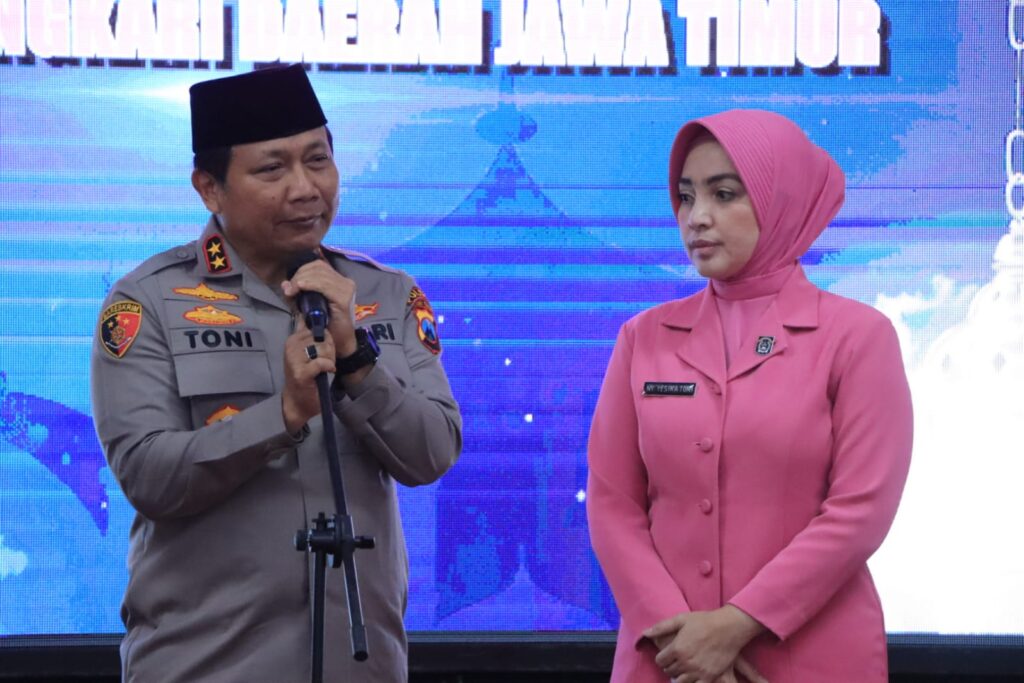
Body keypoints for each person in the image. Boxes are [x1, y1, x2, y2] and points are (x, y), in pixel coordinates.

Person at [90, 64, 462, 683]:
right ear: (210, 189)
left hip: (359, 667)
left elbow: (432, 453)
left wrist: (357, 362)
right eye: (272, 169)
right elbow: (148, 476)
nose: (306, 188)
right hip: (205, 666)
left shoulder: (386, 294)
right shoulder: (148, 302)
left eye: (318, 161)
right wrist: (283, 416)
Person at [586, 109, 913, 683]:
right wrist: (682, 641)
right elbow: (613, 504)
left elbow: (861, 510)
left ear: (781, 201)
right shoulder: (643, 337)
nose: (697, 217)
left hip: (811, 655)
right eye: (686, 197)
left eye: (724, 194)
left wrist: (734, 627)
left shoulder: (858, 337)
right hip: (666, 659)